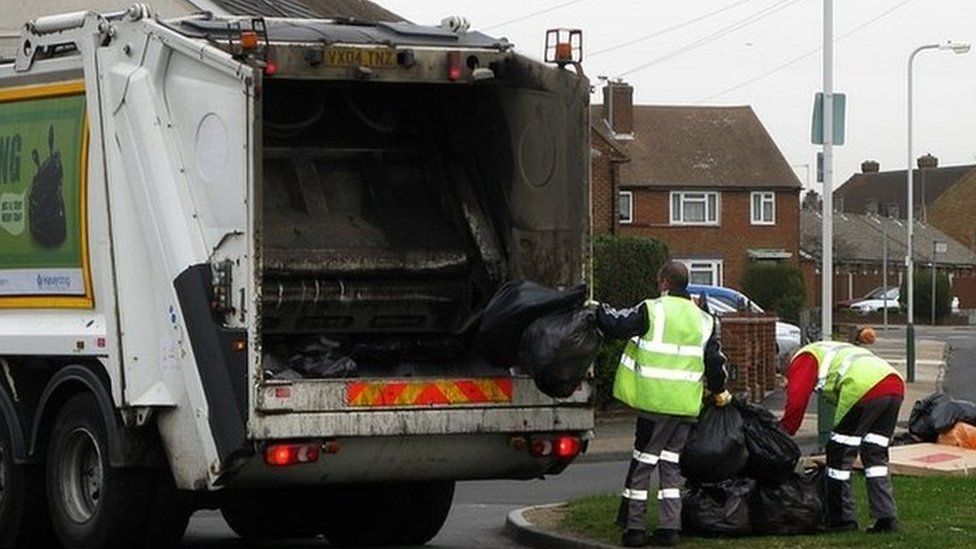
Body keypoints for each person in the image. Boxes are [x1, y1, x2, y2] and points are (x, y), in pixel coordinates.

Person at [594, 261, 729, 547]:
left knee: (643, 464)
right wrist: (719, 391)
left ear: (664, 282)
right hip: (685, 407)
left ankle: (634, 530)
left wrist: (596, 309)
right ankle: (670, 529)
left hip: (655, 404)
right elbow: (715, 364)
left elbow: (617, 326)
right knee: (670, 466)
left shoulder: (652, 309)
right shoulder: (704, 319)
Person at [780, 326, 903, 533]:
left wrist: (782, 433)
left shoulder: (803, 359)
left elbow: (797, 402)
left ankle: (841, 520)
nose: (786, 385)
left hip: (863, 388)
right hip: (893, 386)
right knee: (875, 457)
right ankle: (886, 518)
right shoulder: (829, 349)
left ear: (786, 366)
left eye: (785, 380)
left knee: (839, 455)